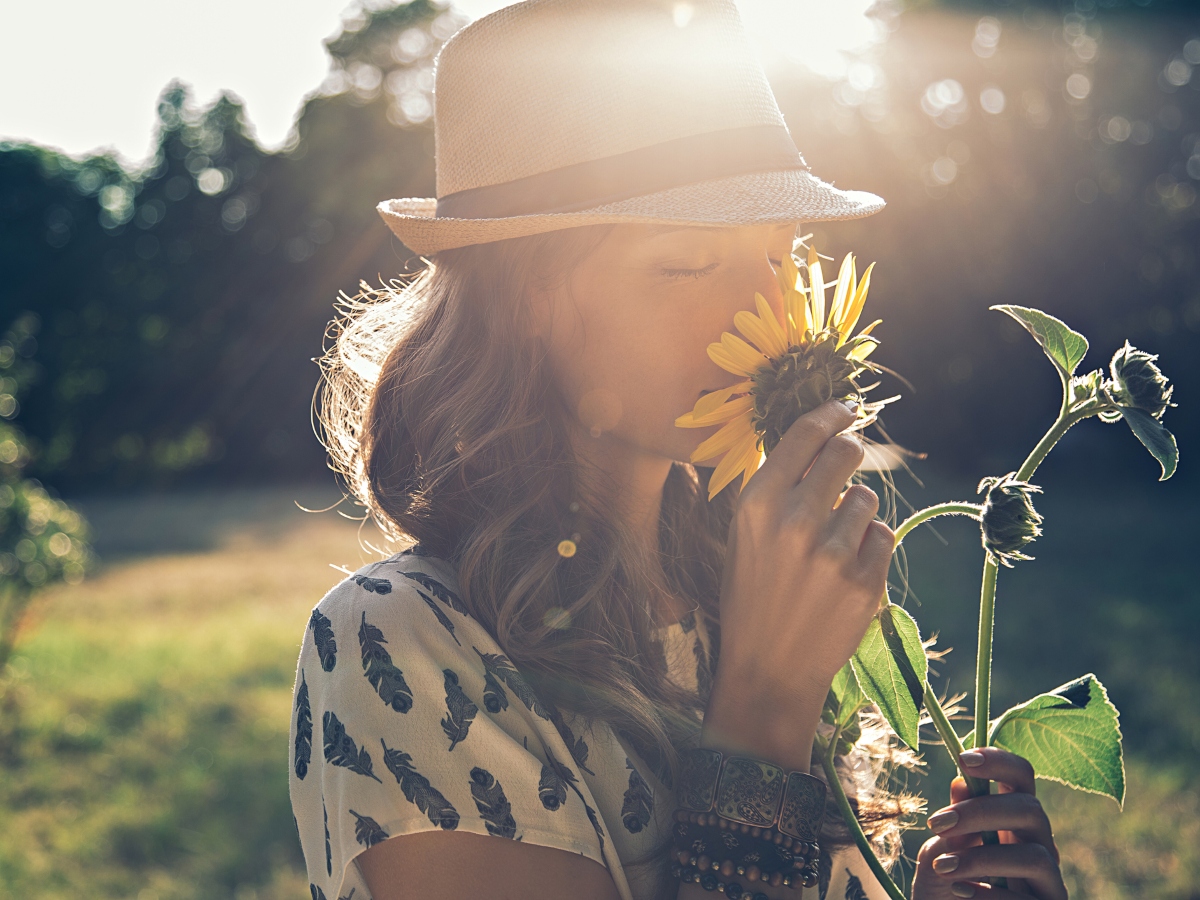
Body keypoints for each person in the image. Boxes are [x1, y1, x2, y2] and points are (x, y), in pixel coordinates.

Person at [289, 2, 1069, 899]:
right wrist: (767, 704)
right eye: (687, 265)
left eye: (782, 257)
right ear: (526, 299)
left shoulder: (727, 591)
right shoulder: (402, 643)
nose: (763, 316)